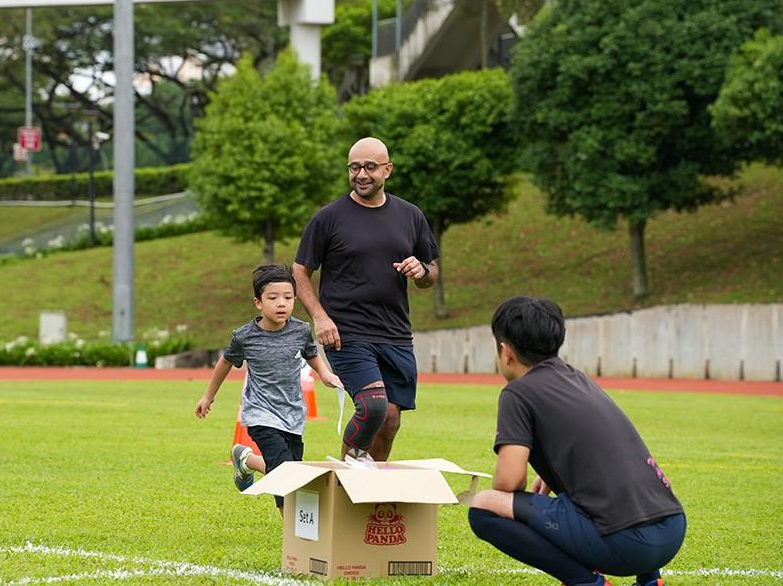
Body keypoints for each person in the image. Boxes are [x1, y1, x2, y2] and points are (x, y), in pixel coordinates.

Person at [468, 296, 686, 586]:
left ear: (506, 352)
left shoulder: (517, 393)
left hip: (626, 545)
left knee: (484, 506)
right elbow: (601, 442)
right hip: (672, 529)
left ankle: (587, 583)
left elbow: (509, 483)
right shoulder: (577, 377)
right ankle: (650, 582)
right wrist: (554, 475)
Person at [293, 136, 439, 466]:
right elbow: (300, 271)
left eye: (370, 167)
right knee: (373, 406)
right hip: (346, 333)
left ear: (388, 170)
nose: (361, 174)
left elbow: (431, 272)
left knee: (390, 420)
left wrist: (421, 271)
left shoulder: (410, 215)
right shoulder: (328, 218)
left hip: (395, 334)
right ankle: (347, 483)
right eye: (354, 167)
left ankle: (370, 484)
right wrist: (319, 317)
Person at [194, 264, 343, 509]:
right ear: (258, 303)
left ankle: (247, 460)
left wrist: (325, 373)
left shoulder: (301, 330)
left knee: (290, 470)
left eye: (288, 297)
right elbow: (225, 362)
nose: (281, 303)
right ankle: (290, 529)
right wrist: (208, 396)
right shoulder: (244, 336)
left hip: (293, 414)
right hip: (260, 414)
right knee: (285, 473)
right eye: (273, 298)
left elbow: (311, 354)